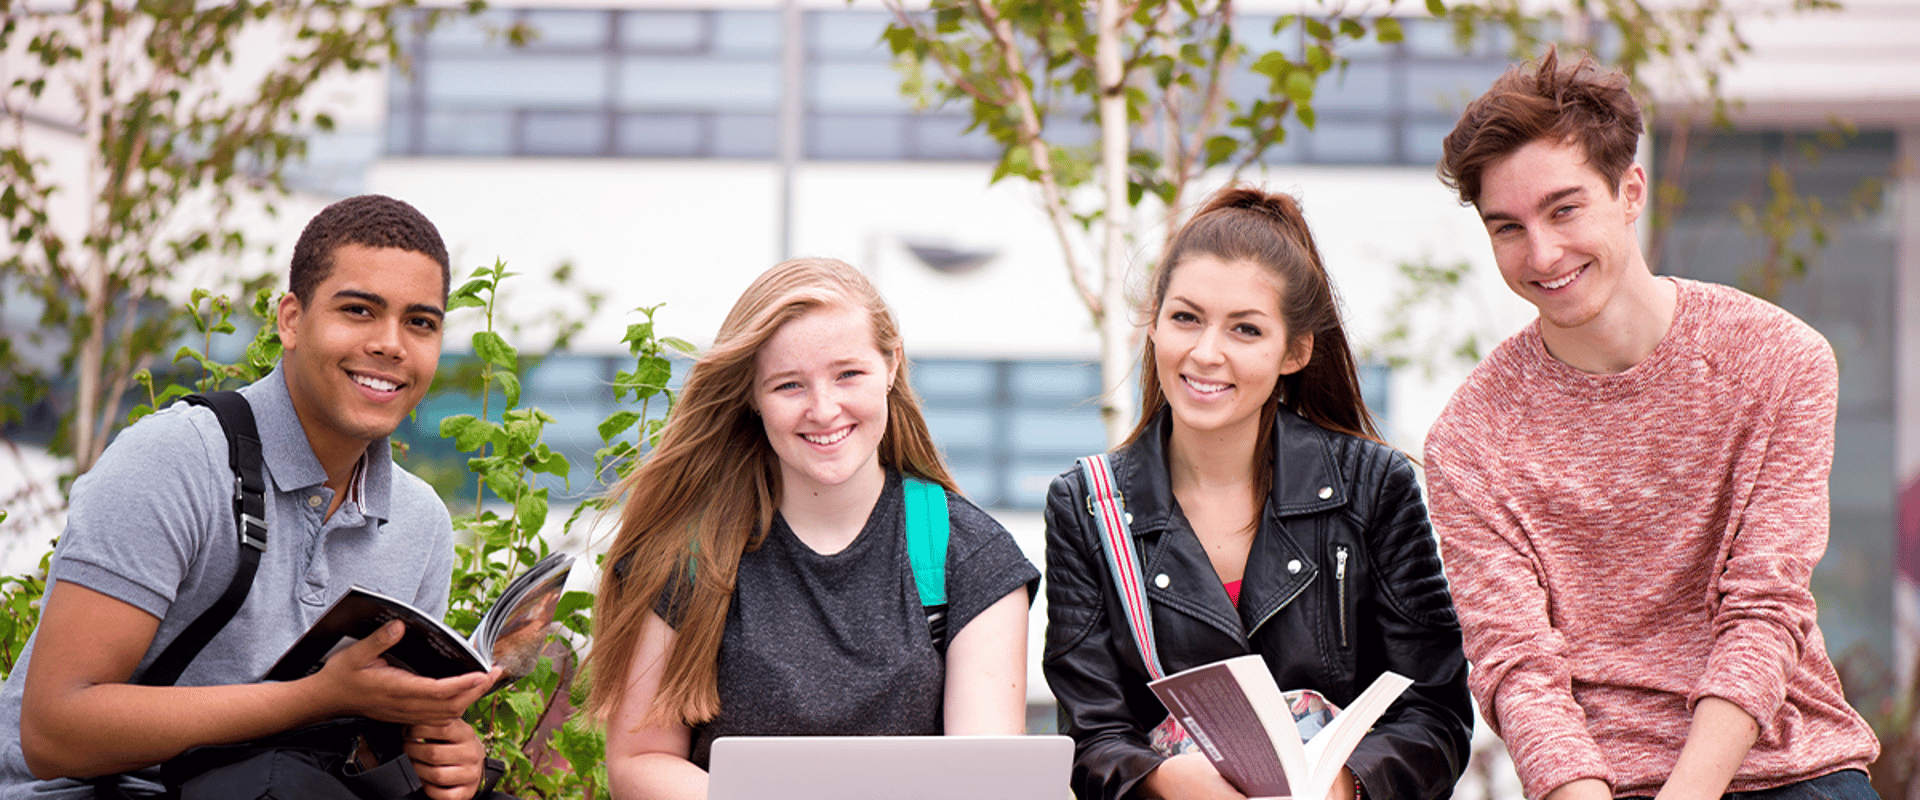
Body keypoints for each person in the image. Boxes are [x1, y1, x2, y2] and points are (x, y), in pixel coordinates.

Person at [1425, 48, 1881, 800]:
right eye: (1508, 227)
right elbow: (1517, 668)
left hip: (1790, 770)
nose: (1542, 254)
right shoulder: (1472, 440)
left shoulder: (1777, 360)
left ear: (1630, 190)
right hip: (1597, 787)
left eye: (1564, 209)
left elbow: (1765, 610)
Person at [0, 194, 498, 800]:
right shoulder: (175, 460)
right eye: (359, 310)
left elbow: (366, 744)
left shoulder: (419, 522)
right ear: (290, 319)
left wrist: (444, 757)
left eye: (419, 322)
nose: (391, 344)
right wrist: (312, 699)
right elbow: (53, 734)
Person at [1042, 186, 1474, 800]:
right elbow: (1090, 736)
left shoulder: (1375, 488)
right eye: (1185, 318)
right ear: (1155, 322)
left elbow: (1436, 715)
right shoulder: (1087, 505)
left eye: (1245, 329)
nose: (1206, 353)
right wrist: (1165, 781)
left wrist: (1341, 786)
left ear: (1294, 351)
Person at [588, 257, 1040, 800]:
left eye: (848, 374)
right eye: (789, 386)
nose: (824, 409)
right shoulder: (688, 556)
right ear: (751, 396)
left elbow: (981, 784)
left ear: (892, 365)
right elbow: (641, 762)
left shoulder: (968, 556)